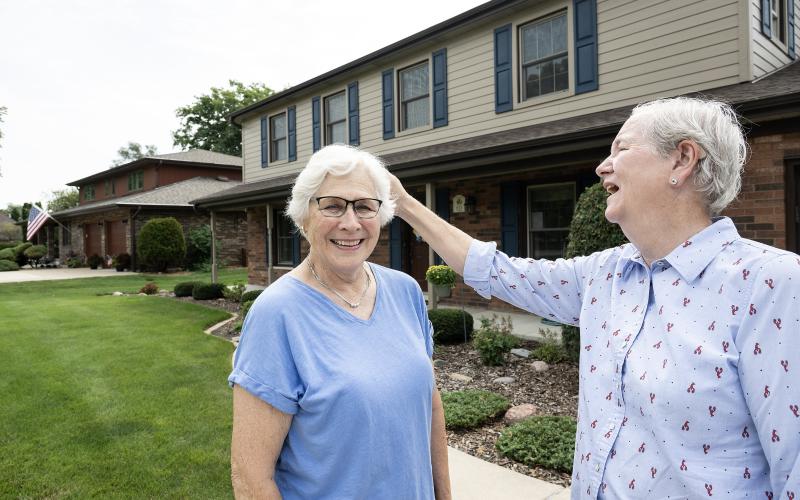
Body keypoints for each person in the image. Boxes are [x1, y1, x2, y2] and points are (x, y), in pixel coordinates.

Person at [390, 97, 799, 498]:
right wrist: (405, 203)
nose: (603, 166)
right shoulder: (605, 273)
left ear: (682, 159)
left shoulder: (770, 285)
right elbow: (494, 271)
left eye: (621, 148)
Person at [228, 144, 451, 499]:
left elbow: (431, 406)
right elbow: (250, 475)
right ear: (303, 217)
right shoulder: (277, 313)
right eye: (332, 205)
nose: (351, 223)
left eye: (364, 206)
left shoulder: (406, 291)